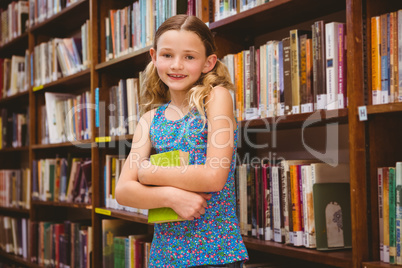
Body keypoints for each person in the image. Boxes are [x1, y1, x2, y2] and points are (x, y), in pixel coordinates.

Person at [115, 14, 248, 267]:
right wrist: (170, 197)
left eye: (189, 57)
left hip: (216, 254)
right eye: (167, 55)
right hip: (165, 257)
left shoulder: (216, 98)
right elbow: (123, 191)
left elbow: (214, 177)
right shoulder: (150, 119)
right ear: (154, 57)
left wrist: (147, 173)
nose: (177, 65)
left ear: (208, 63)